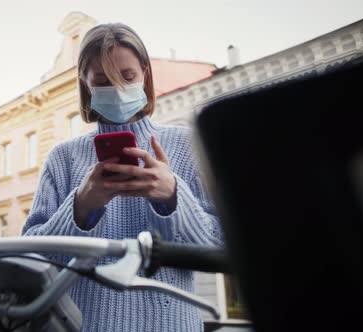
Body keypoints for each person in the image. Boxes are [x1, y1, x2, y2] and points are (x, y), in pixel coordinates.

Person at [22, 23, 223, 332]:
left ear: (145, 73)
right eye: (102, 81)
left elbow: (222, 244)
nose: (116, 89)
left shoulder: (186, 145)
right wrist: (80, 206)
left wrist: (174, 195)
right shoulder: (63, 158)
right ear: (85, 83)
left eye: (127, 77)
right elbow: (30, 255)